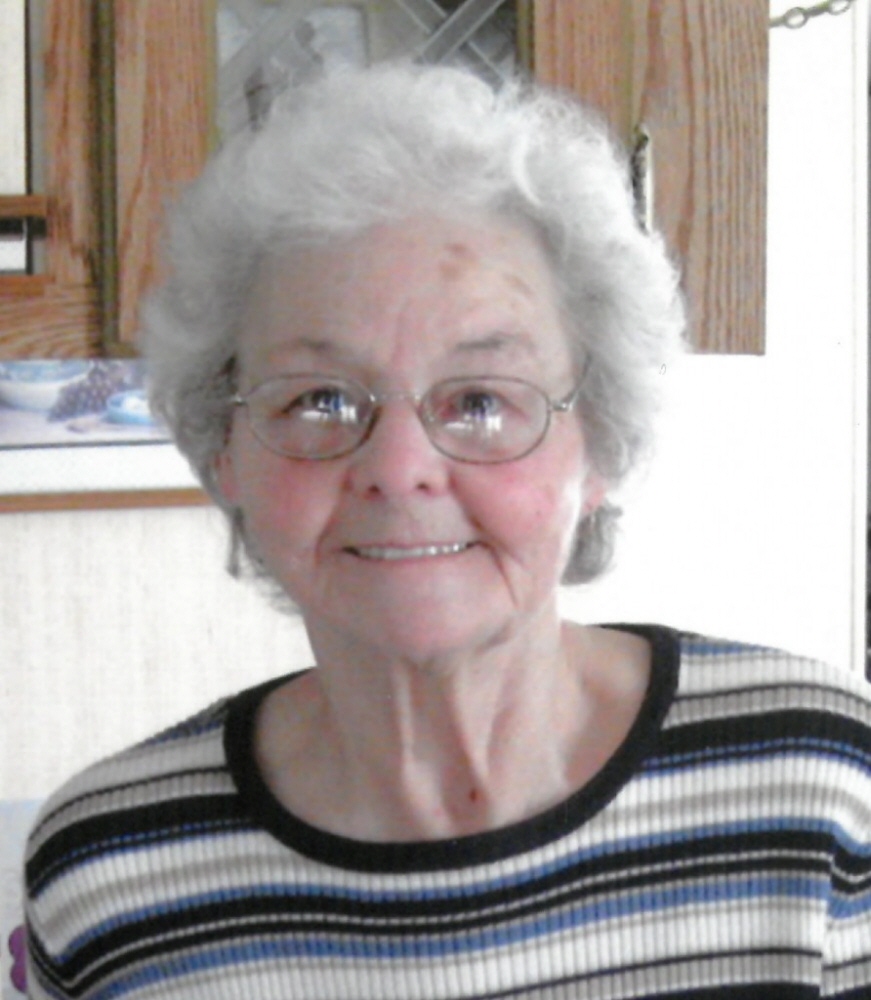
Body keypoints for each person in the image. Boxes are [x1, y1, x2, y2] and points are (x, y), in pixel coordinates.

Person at [24, 63, 871, 1000]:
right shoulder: (110, 881)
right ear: (225, 452)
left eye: (478, 401)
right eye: (318, 399)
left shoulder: (825, 787)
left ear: (597, 442)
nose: (398, 468)